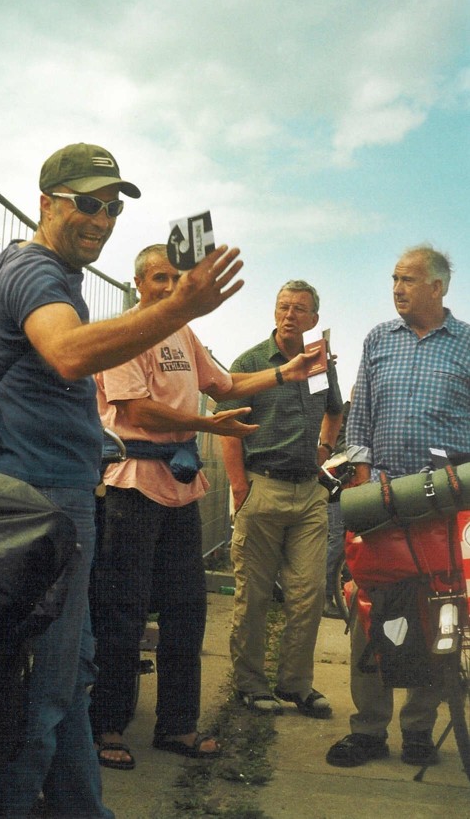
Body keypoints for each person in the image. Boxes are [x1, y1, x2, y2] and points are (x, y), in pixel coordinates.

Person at [0, 143, 248, 819]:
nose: (101, 218)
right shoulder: (35, 271)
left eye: (111, 205)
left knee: (72, 682)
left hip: (68, 500)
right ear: (47, 203)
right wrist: (177, 305)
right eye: (86, 203)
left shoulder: (57, 277)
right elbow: (69, 353)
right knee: (44, 694)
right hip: (43, 507)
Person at [90, 246, 320, 770]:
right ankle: (107, 726)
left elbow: (226, 384)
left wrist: (288, 374)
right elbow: (137, 412)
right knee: (122, 616)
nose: (169, 288)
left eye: (175, 279)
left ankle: (177, 726)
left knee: (186, 614)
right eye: (157, 278)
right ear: (137, 283)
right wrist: (207, 426)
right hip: (133, 488)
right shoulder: (128, 333)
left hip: (178, 490)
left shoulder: (183, 334)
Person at [326, 244, 470, 768]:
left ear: (438, 287)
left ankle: (418, 729)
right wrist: (363, 493)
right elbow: (359, 420)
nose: (397, 288)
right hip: (382, 504)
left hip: (442, 508)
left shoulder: (468, 345)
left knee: (437, 616)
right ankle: (367, 730)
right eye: (394, 278)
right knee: (373, 614)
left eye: (409, 279)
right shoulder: (377, 340)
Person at [216, 280, 343, 717]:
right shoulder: (250, 363)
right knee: (253, 596)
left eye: (300, 309)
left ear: (314, 319)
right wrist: (239, 488)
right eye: (283, 306)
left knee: (309, 594)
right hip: (261, 488)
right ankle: (250, 684)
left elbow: (335, 409)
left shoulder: (320, 364)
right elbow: (226, 425)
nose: (290, 314)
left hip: (309, 493)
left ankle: (296, 684)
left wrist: (325, 449)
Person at [322, 398, 351, 619]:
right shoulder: (345, 414)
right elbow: (339, 450)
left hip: (348, 490)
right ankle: (324, 598)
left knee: (343, 542)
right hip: (338, 489)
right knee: (337, 542)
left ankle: (338, 593)